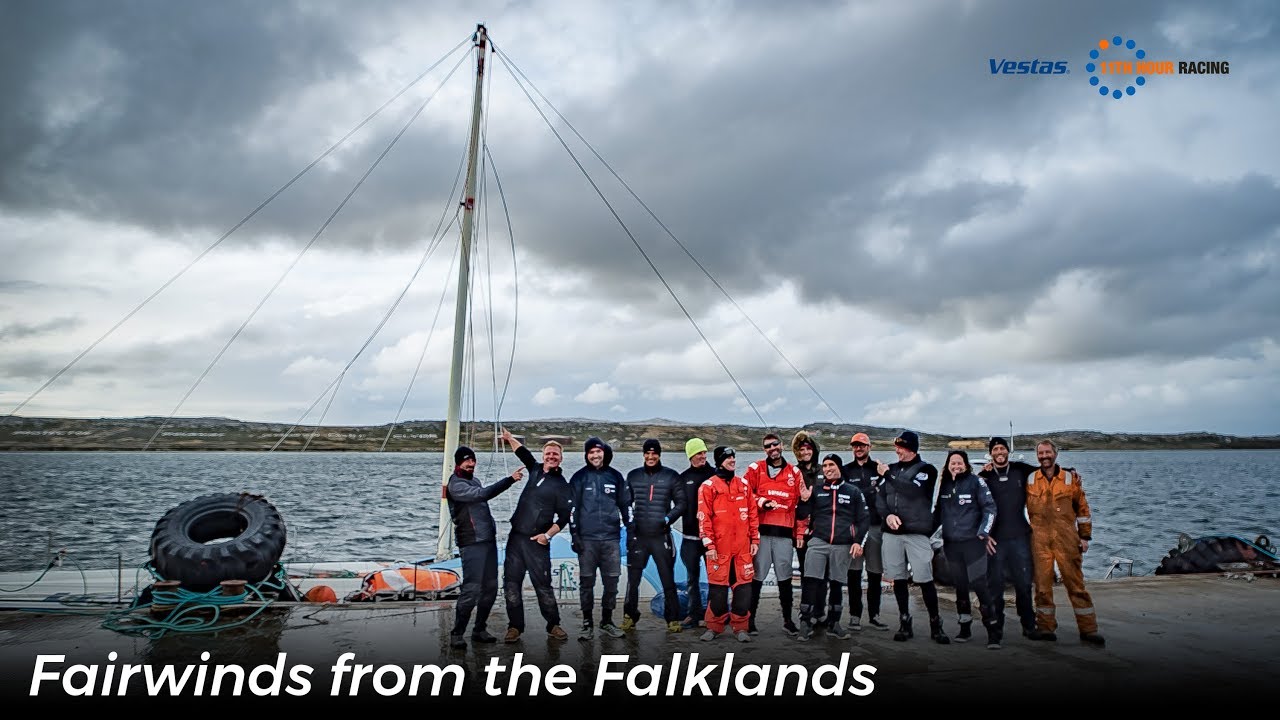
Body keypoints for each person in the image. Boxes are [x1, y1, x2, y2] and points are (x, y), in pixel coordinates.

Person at [1026, 440, 1105, 646]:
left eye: (1048, 452)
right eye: (1041, 453)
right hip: (1039, 541)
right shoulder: (1030, 479)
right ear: (1037, 456)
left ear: (1056, 454)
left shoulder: (1070, 479)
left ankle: (1088, 629)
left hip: (1067, 540)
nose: (1044, 456)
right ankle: (1045, 627)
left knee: (1076, 585)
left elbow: (1083, 510)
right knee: (1042, 588)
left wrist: (1085, 537)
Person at [445, 445, 524, 649]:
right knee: (471, 589)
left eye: (473, 460)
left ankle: (479, 629)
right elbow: (483, 495)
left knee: (490, 588)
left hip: (488, 540)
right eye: (466, 461)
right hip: (471, 543)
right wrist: (509, 480)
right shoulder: (456, 485)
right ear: (458, 463)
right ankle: (457, 632)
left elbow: (481, 495)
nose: (471, 464)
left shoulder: (474, 480)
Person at [876, 430, 950, 644]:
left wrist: (887, 475)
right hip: (892, 534)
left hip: (917, 534)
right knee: (898, 578)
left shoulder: (926, 470)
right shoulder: (892, 469)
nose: (897, 451)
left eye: (901, 447)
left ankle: (936, 624)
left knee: (924, 578)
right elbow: (880, 497)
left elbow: (913, 492)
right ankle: (904, 621)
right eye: (896, 447)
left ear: (912, 448)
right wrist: (887, 515)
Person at [499, 428, 572, 643]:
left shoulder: (562, 486)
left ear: (561, 458)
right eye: (548, 453)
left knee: (543, 585)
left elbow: (564, 518)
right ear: (543, 456)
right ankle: (514, 627)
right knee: (511, 584)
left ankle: (553, 624)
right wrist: (510, 438)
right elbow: (522, 453)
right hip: (516, 538)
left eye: (555, 454)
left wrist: (547, 536)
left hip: (537, 542)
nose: (551, 456)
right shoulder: (535, 469)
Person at [798, 453, 869, 641]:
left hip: (842, 543)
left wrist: (857, 541)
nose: (828, 468)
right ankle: (805, 621)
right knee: (811, 581)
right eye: (825, 465)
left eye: (831, 465)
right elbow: (801, 516)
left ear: (839, 467)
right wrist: (804, 500)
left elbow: (863, 519)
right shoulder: (817, 490)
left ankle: (834, 623)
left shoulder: (853, 491)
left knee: (837, 584)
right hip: (819, 542)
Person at [569, 436, 634, 640]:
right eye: (591, 453)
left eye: (598, 451)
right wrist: (574, 535)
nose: (595, 455)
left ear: (604, 453)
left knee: (612, 583)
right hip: (587, 541)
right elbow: (572, 509)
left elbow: (626, 506)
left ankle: (607, 621)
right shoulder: (578, 478)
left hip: (610, 540)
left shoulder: (615, 477)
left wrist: (631, 531)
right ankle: (587, 623)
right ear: (586, 455)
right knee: (586, 583)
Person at [744, 432, 808, 636]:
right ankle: (750, 619)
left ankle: (788, 620)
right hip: (761, 535)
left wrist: (799, 534)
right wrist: (761, 502)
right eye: (767, 446)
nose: (772, 448)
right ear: (764, 450)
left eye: (775, 444)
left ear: (781, 445)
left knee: (785, 579)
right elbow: (744, 494)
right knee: (757, 578)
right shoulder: (755, 469)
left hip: (784, 536)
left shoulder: (795, 473)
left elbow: (801, 507)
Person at [935, 449, 1001, 648]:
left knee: (979, 584)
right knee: (961, 587)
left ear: (966, 464)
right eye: (952, 463)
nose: (956, 466)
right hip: (952, 545)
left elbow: (990, 508)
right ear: (947, 466)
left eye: (959, 462)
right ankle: (964, 627)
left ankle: (993, 631)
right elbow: (937, 512)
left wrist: (984, 531)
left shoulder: (977, 482)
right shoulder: (945, 485)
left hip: (973, 544)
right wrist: (921, 532)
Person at [622, 439, 686, 633]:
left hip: (661, 537)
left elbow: (682, 504)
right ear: (643, 454)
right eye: (647, 453)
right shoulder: (633, 476)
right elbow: (625, 504)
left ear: (659, 454)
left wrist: (667, 519)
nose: (650, 457)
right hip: (639, 537)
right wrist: (630, 525)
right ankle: (629, 616)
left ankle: (672, 619)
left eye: (654, 453)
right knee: (633, 581)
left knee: (667, 579)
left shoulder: (671, 476)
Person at [979, 436, 1039, 639]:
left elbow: (1046, 472)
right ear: (991, 453)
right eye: (995, 449)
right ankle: (996, 629)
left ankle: (1029, 626)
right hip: (995, 540)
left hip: (1020, 536)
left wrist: (1070, 471)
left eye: (1002, 448)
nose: (999, 452)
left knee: (1023, 583)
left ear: (1008, 451)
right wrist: (983, 535)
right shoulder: (984, 476)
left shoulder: (1021, 470)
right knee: (995, 586)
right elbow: (975, 508)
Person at [697, 446, 759, 643]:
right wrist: (709, 545)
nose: (732, 460)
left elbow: (752, 515)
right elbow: (703, 517)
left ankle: (740, 628)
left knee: (743, 590)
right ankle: (714, 627)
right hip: (719, 549)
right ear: (719, 461)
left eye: (734, 456)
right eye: (728, 457)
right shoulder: (708, 486)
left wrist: (755, 539)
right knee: (717, 591)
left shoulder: (744, 485)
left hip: (742, 549)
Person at [842, 432, 889, 631]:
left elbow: (888, 492)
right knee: (853, 573)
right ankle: (854, 615)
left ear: (869, 447)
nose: (858, 449)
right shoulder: (846, 471)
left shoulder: (877, 469)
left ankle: (875, 615)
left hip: (876, 526)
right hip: (854, 529)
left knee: (875, 573)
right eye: (855, 445)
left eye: (862, 445)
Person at [677, 438, 714, 629]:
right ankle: (694, 614)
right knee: (692, 578)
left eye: (704, 452)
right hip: (690, 538)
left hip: (711, 539)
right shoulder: (683, 478)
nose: (703, 456)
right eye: (699, 453)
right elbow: (676, 506)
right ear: (690, 455)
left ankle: (713, 614)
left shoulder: (715, 475)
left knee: (714, 577)